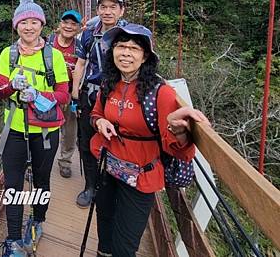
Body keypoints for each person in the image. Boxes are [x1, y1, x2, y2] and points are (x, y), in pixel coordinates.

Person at [90, 23, 210, 257]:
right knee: (104, 223)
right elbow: (96, 114)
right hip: (108, 165)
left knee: (124, 245)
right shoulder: (108, 83)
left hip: (140, 177)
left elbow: (178, 149)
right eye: (121, 46)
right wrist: (100, 123)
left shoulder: (160, 92)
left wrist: (178, 130)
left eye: (133, 48)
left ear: (145, 56)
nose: (125, 53)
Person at [0, 0, 70, 256]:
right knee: (12, 186)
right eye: (23, 22)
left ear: (42, 25)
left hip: (45, 131)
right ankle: (13, 241)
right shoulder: (9, 54)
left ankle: (37, 221)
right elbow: (0, 90)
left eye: (34, 22)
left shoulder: (54, 56)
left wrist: (39, 96)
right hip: (14, 129)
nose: (29, 27)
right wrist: (12, 86)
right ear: (16, 26)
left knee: (41, 180)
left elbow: (64, 94)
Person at [72, 0, 127, 208]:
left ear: (121, 10)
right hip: (91, 94)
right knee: (87, 142)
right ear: (97, 10)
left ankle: (112, 188)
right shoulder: (87, 35)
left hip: (118, 97)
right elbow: (80, 64)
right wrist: (75, 94)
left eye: (113, 6)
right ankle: (90, 186)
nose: (107, 11)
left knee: (117, 143)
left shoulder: (128, 35)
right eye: (103, 7)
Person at [47, 9, 83, 178]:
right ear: (59, 24)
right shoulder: (48, 41)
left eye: (73, 24)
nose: (68, 26)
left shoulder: (80, 46)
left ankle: (65, 162)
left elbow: (83, 68)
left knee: (69, 130)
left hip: (69, 93)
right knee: (43, 128)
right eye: (65, 22)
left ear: (78, 28)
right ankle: (38, 161)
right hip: (48, 92)